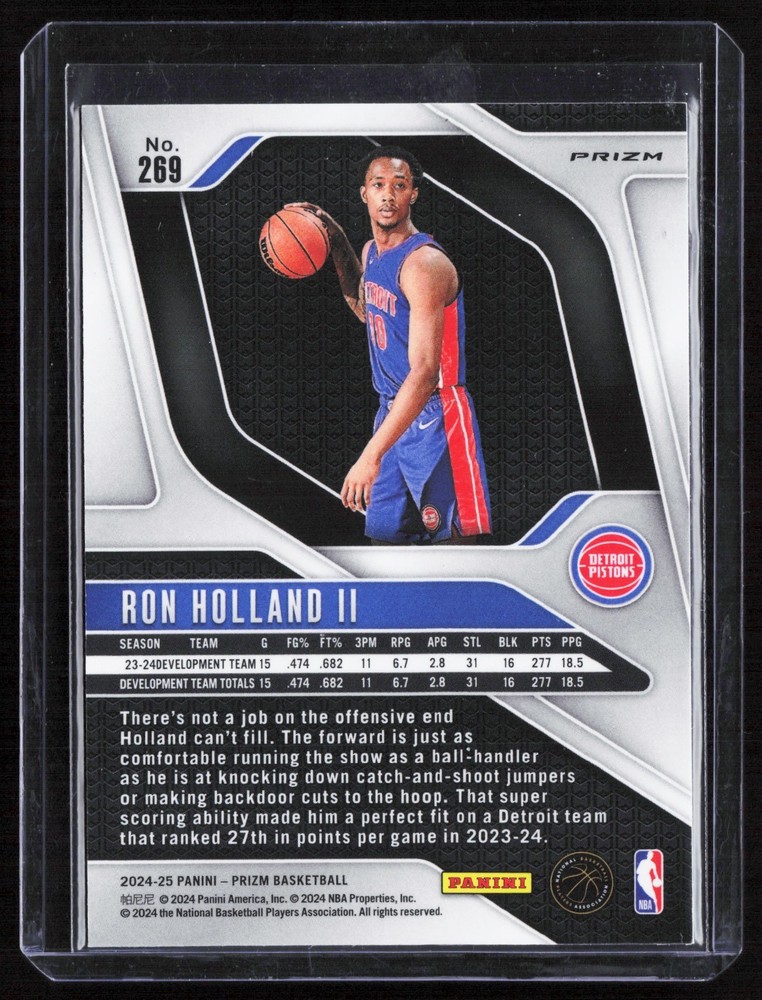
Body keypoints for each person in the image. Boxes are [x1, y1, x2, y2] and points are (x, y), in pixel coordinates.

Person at [288, 146, 491, 544]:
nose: (388, 195)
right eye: (378, 185)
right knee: (385, 540)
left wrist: (370, 455)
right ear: (364, 193)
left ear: (414, 194)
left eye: (399, 186)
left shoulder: (423, 264)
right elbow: (369, 310)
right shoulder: (372, 252)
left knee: (453, 548)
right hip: (393, 412)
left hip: (436, 416)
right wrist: (336, 238)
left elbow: (425, 373)